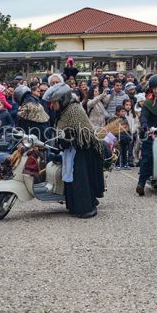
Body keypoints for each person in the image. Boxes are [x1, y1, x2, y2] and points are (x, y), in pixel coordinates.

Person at [45, 83, 104, 218]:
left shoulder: (74, 110)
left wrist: (68, 139)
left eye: (54, 102)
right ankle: (75, 205)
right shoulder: (63, 111)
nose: (52, 105)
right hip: (72, 150)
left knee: (80, 179)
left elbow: (82, 132)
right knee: (72, 178)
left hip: (83, 150)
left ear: (62, 100)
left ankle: (87, 208)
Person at [113, 105, 132, 170]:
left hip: (125, 138)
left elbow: (128, 128)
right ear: (117, 112)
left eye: (124, 111)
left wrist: (129, 136)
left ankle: (125, 164)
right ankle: (117, 164)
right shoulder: (114, 119)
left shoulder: (125, 119)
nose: (124, 113)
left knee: (124, 151)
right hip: (117, 138)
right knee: (117, 152)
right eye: (122, 111)